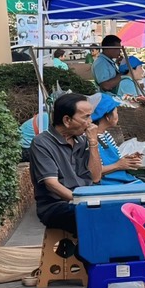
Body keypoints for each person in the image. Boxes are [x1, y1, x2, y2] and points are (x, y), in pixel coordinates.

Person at [28, 93, 94, 232]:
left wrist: (93, 144)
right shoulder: (42, 143)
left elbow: (95, 177)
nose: (90, 122)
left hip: (85, 198)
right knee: (96, 216)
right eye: (86, 117)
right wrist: (82, 201)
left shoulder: (82, 141)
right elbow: (52, 184)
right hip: (56, 205)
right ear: (67, 120)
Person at [85, 93, 143, 184]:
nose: (117, 115)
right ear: (108, 117)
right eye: (116, 112)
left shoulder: (106, 135)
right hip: (108, 185)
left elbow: (115, 160)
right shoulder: (89, 138)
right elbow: (94, 172)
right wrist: (118, 165)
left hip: (121, 179)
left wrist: (127, 160)